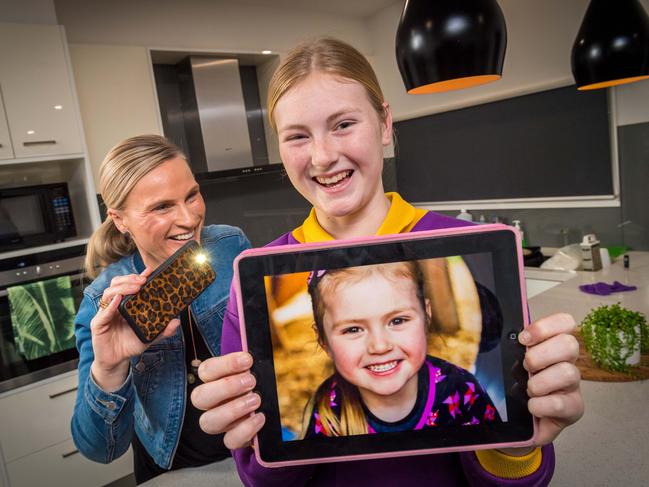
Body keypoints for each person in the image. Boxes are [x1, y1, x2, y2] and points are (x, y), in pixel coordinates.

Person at [191, 38, 584, 486]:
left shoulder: (471, 250)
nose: (322, 156)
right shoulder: (256, 280)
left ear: (384, 123)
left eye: (343, 124)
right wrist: (257, 440)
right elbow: (262, 477)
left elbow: (523, 467)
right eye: (298, 136)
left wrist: (516, 447)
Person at [70, 135, 251, 484]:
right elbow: (99, 449)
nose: (189, 218)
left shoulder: (231, 245)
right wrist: (110, 367)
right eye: (162, 207)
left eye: (191, 195)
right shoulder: (101, 302)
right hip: (174, 471)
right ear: (120, 220)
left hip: (251, 448)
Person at [302, 261, 500, 439]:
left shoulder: (461, 389)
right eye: (353, 329)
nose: (380, 346)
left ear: (426, 316)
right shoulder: (327, 410)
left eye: (397, 321)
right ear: (324, 341)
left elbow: (497, 459)